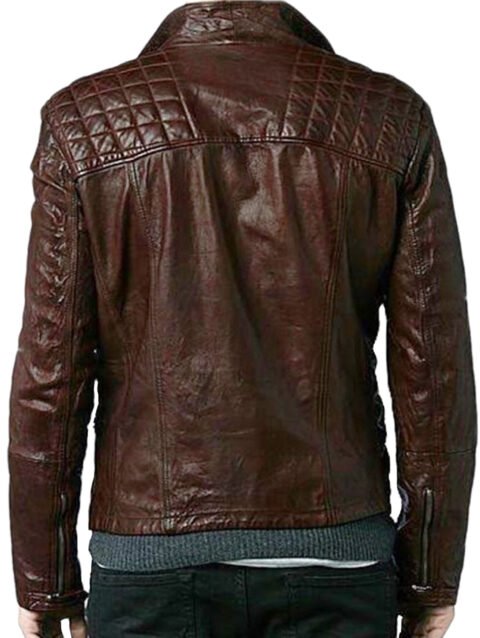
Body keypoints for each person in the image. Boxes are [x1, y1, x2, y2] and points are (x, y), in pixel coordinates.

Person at [8, 1, 477, 637]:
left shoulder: (86, 122)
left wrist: (45, 579)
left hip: (150, 561)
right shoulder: (388, 116)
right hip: (338, 552)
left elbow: (51, 373)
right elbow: (435, 373)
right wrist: (431, 575)